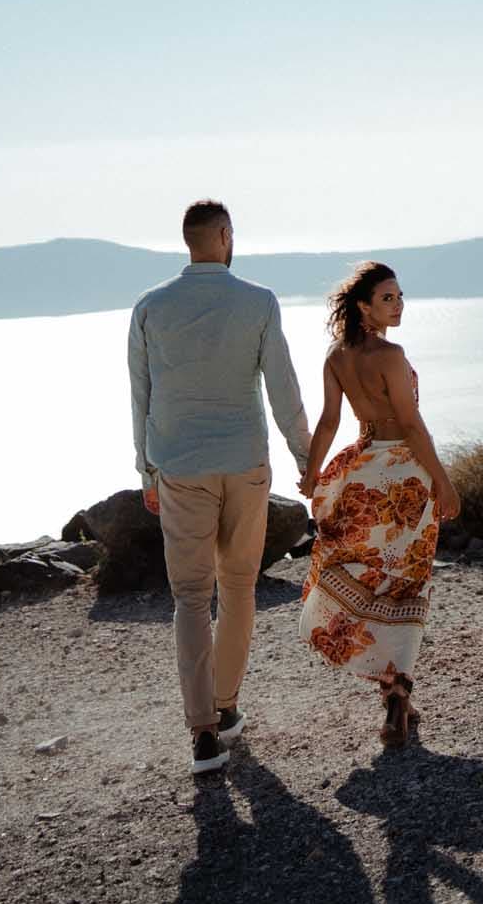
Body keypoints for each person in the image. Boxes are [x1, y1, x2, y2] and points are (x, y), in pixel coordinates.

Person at [127, 199, 311, 775]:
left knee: (188, 597)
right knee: (239, 588)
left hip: (180, 468)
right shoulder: (258, 301)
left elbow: (141, 392)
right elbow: (283, 386)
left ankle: (203, 733)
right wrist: (307, 457)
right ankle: (227, 705)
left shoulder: (150, 307)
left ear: (188, 241)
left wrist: (145, 469)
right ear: (226, 236)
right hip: (245, 465)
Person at [299, 260, 461, 749]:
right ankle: (397, 693)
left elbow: (329, 423)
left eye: (400, 296)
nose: (398, 305)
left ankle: (395, 693)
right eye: (387, 298)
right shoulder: (391, 355)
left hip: (366, 470)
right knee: (408, 579)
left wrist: (312, 473)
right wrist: (444, 481)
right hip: (406, 477)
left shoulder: (337, 356)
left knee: (371, 572)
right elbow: (411, 426)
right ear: (364, 306)